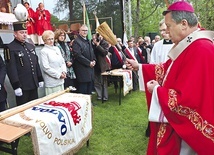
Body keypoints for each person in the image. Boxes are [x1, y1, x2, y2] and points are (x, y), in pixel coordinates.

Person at [126, 1, 214, 154]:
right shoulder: (189, 44)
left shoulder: (201, 49)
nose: (165, 31)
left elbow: (190, 100)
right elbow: (167, 69)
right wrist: (139, 67)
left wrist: (158, 90)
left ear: (184, 24)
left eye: (168, 26)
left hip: (187, 135)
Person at [4, 21, 44, 106]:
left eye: (25, 32)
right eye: (21, 32)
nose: (24, 35)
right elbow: (11, 69)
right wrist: (16, 86)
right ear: (15, 33)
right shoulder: (10, 48)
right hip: (22, 86)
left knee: (34, 107)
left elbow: (36, 63)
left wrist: (40, 78)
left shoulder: (30, 46)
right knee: (23, 110)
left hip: (33, 83)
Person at [40, 30, 67, 95]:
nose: (51, 41)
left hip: (61, 80)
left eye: (52, 39)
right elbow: (46, 67)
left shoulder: (56, 48)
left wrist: (64, 71)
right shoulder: (44, 51)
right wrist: (58, 75)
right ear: (44, 41)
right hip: (52, 81)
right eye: (49, 39)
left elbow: (62, 62)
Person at [72, 24, 96, 95]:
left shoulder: (88, 41)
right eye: (83, 30)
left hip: (90, 70)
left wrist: (94, 60)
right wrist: (89, 63)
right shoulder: (76, 42)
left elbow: (92, 52)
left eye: (86, 31)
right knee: (83, 90)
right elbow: (78, 55)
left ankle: (89, 104)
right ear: (79, 31)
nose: (85, 32)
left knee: (89, 89)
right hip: (82, 70)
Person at [92, 33, 110, 101]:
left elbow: (104, 52)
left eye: (95, 38)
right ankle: (99, 95)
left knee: (103, 82)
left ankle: (105, 96)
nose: (94, 40)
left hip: (102, 65)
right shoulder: (91, 44)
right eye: (93, 39)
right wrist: (94, 44)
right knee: (96, 81)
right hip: (95, 65)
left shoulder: (105, 43)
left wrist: (98, 45)